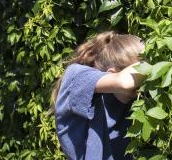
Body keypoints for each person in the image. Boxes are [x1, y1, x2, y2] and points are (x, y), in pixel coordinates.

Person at [49, 30, 146, 160]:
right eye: (142, 78)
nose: (144, 87)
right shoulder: (77, 77)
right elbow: (124, 82)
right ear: (111, 73)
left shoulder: (134, 103)